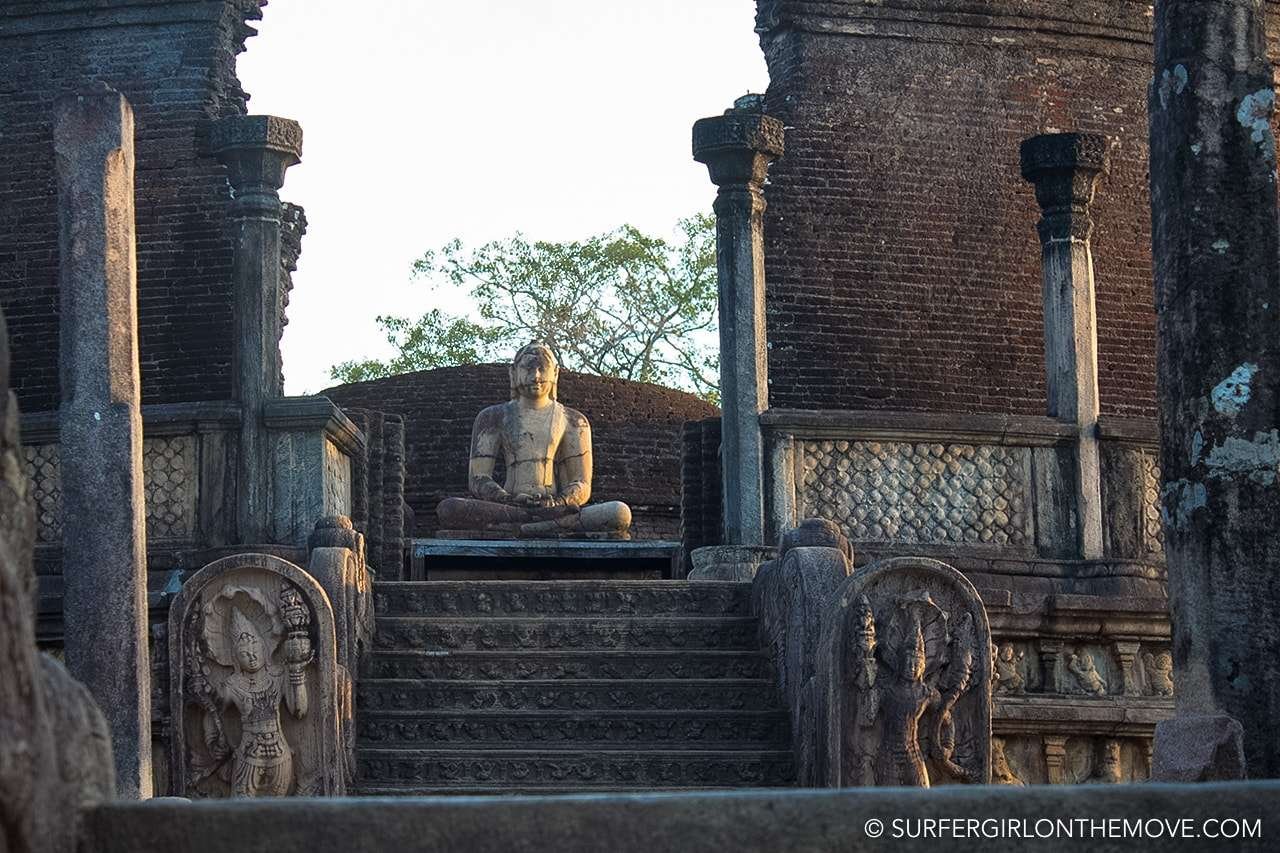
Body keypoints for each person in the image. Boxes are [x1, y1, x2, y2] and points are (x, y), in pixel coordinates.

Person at [436, 342, 631, 537]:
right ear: (513, 373)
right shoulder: (492, 417)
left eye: (542, 369)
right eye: (528, 368)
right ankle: (546, 528)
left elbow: (581, 483)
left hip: (554, 508)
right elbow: (479, 479)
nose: (535, 376)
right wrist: (507, 499)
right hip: (509, 507)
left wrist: (557, 502)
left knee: (619, 512)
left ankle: (525, 529)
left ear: (555, 373)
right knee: (449, 509)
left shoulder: (573, 420)